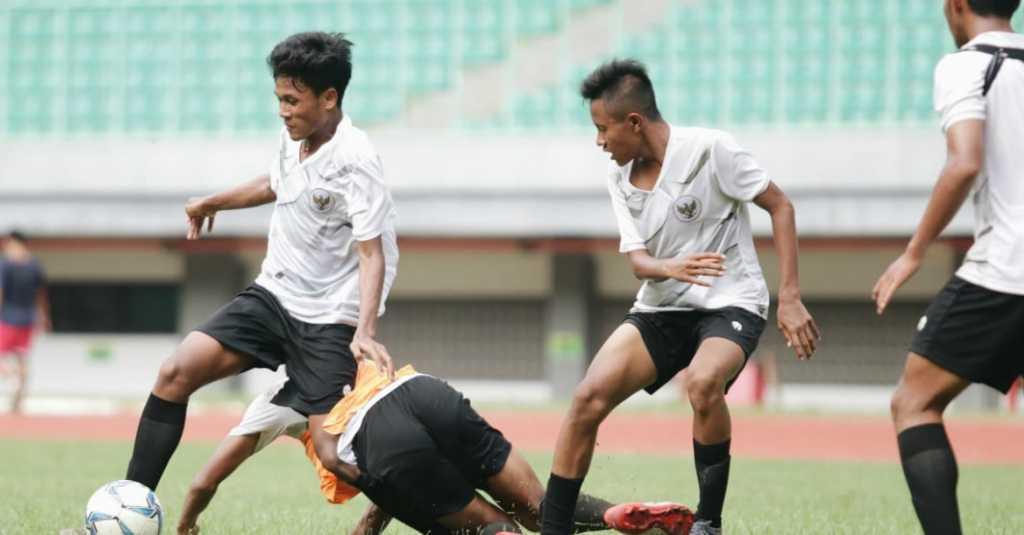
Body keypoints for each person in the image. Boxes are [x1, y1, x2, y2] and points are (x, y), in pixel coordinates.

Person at [541, 60, 819, 535]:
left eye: (602, 129)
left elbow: (781, 206)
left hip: (731, 301)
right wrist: (670, 268)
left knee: (703, 382)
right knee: (586, 398)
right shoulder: (619, 178)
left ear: (634, 122)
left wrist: (790, 295)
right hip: (661, 305)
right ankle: (554, 527)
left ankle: (708, 523)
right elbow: (638, 262)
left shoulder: (712, 150)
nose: (599, 142)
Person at [124, 31, 399, 493]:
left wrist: (364, 331)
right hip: (273, 297)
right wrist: (213, 202)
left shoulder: (357, 161)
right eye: (279, 99)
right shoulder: (294, 136)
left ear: (329, 97)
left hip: (329, 320)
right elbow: (276, 183)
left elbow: (373, 253)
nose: (283, 111)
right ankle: (128, 505)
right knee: (175, 374)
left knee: (336, 455)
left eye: (293, 100)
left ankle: (435, 506)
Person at [178, 365, 695, 535]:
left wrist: (184, 527)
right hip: (425, 392)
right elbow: (402, 440)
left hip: (381, 442)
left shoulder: (273, 397)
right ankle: (616, 515)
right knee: (540, 508)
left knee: (496, 529)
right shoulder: (338, 336)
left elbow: (204, 480)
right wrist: (373, 522)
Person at [872, 1, 1022, 534]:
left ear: (956, 4)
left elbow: (965, 161)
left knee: (914, 401)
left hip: (1007, 269)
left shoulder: (965, 64)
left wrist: (914, 251)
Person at [0, 230, 51, 414]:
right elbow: (41, 294)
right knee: (22, 359)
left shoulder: (5, 264)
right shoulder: (35, 265)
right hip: (28, 319)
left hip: (7, 318)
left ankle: (11, 377)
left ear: (14, 243)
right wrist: (44, 316)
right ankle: (18, 401)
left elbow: (1, 291)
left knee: (4, 358)